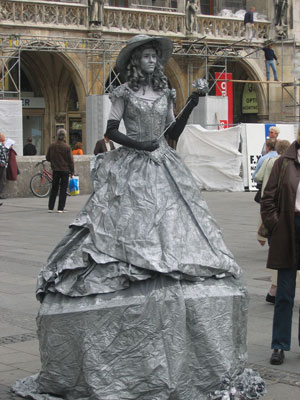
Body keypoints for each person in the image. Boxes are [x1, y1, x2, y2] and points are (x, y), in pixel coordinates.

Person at [12, 35, 265, 399]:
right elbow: (111, 130)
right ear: (135, 62)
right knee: (123, 221)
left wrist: (191, 103)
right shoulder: (124, 94)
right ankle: (131, 266)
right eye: (146, 56)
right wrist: (139, 145)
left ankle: (168, 269)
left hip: (163, 164)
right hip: (133, 164)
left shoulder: (165, 94)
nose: (151, 61)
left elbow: (172, 134)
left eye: (154, 57)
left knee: (178, 222)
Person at [261, 130, 300, 365]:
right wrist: (276, 226)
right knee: (284, 293)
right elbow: (268, 198)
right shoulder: (283, 162)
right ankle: (279, 345)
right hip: (289, 226)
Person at [255, 139, 290, 303]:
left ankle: (274, 290)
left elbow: (258, 176)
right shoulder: (287, 163)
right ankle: (275, 290)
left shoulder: (268, 160)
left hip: (270, 208)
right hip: (281, 212)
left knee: (277, 250)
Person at [46, 128, 74, 213]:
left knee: (54, 188)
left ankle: (50, 207)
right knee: (63, 189)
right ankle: (60, 208)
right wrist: (72, 171)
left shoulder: (52, 146)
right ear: (64, 136)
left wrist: (54, 161)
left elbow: (48, 157)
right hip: (65, 170)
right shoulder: (67, 147)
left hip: (55, 170)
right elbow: (70, 160)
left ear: (57, 136)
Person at [0, 132, 8, 203]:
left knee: (3, 179)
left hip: (4, 164)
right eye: (3, 137)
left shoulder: (2, 145)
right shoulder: (0, 145)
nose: (4, 138)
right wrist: (1, 162)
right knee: (2, 179)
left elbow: (5, 154)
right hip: (1, 164)